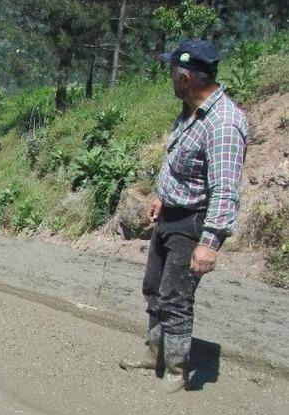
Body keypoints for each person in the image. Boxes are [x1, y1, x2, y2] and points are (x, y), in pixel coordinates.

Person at [120, 40, 248, 393]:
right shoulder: (190, 111)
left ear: (185, 76)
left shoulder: (223, 124)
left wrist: (210, 243)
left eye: (171, 72)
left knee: (176, 296)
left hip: (193, 222)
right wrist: (163, 196)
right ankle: (154, 354)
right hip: (171, 215)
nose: (169, 79)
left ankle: (176, 370)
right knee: (154, 289)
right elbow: (183, 166)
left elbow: (224, 189)